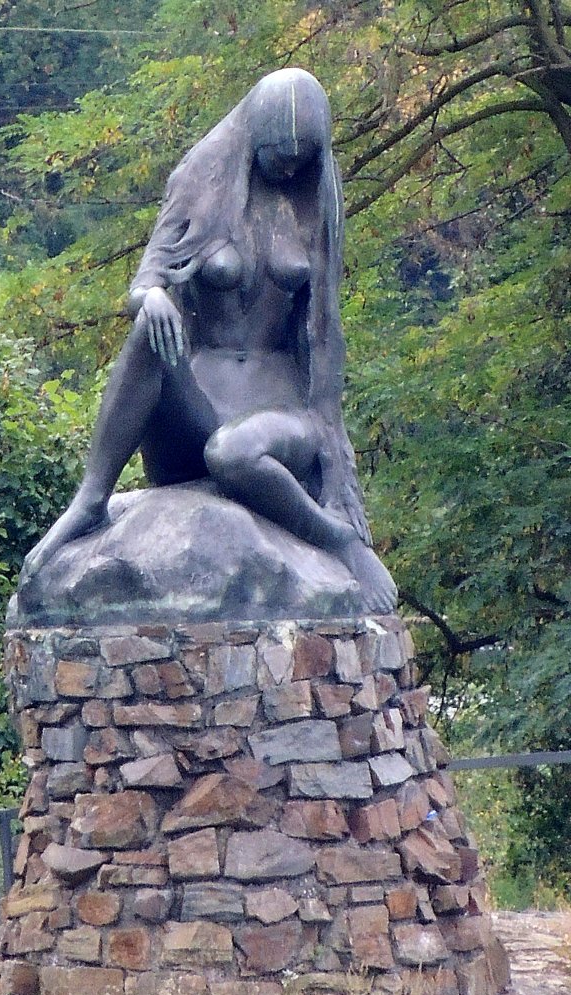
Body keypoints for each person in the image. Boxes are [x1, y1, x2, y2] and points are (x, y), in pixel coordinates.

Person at [20, 68, 396, 613]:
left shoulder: (314, 207)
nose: (289, 166)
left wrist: (331, 449)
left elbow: (323, 333)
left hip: (278, 413)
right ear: (252, 139)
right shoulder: (203, 183)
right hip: (198, 404)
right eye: (278, 153)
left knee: (233, 452)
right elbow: (146, 280)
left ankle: (334, 540)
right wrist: (150, 297)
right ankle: (91, 498)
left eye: (302, 155)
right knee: (152, 327)